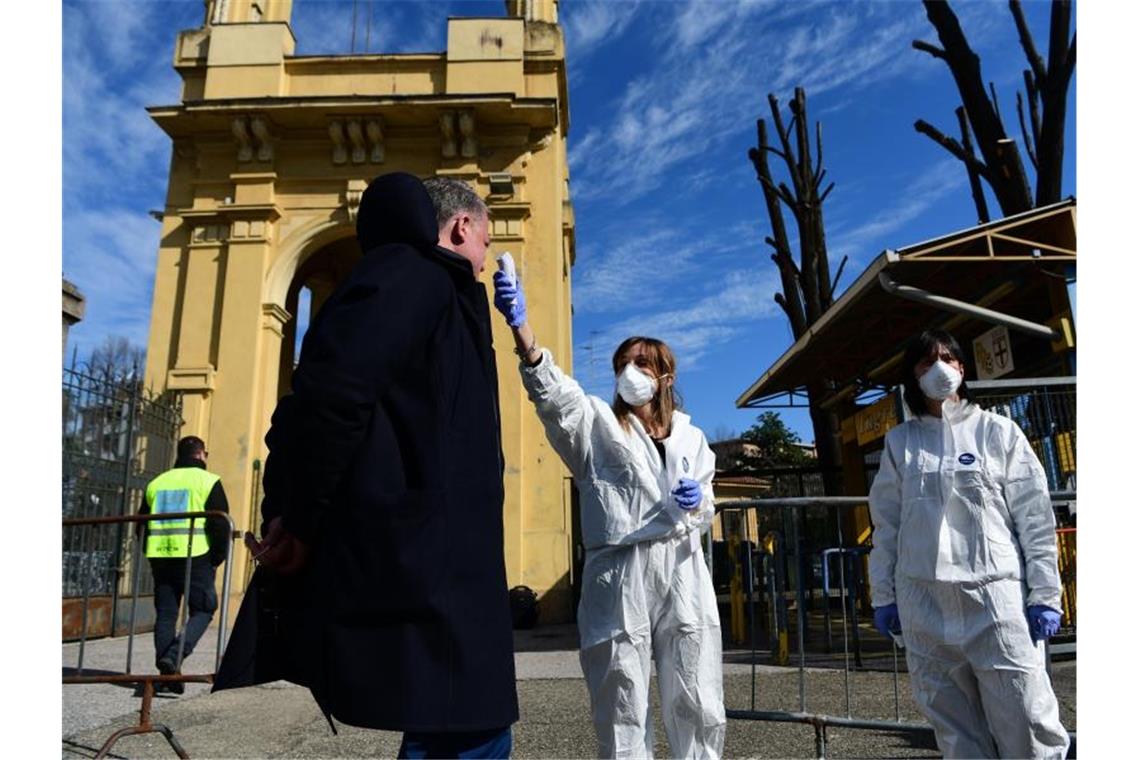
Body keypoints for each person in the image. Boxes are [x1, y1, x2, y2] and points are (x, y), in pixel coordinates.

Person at [237, 173, 517, 758]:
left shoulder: (437, 290)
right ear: (463, 225)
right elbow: (327, 398)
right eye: (487, 242)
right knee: (465, 729)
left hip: (446, 560)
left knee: (465, 727)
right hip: (426, 560)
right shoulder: (410, 276)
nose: (488, 260)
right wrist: (298, 518)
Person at [491, 270, 726, 759]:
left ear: (666, 375)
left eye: (642, 362)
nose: (629, 371)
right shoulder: (597, 425)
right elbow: (555, 397)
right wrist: (524, 334)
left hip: (682, 565)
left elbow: (705, 504)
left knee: (698, 694)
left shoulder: (692, 438)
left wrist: (698, 502)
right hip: (619, 571)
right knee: (621, 702)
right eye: (623, 363)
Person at [867, 329, 1069, 759]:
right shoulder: (901, 443)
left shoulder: (998, 432)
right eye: (927, 361)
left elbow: (1034, 518)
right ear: (912, 376)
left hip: (995, 599)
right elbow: (886, 525)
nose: (940, 368)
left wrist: (1046, 594)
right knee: (954, 728)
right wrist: (883, 594)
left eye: (949, 358)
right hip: (924, 602)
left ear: (962, 368)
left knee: (1026, 717)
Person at [139, 435, 230, 695]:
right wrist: (217, 558)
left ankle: (169, 673)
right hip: (196, 555)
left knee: (166, 613)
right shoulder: (208, 480)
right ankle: (175, 656)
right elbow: (220, 524)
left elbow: (141, 521)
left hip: (161, 556)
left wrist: (149, 551)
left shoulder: (157, 482)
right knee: (204, 609)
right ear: (201, 454)